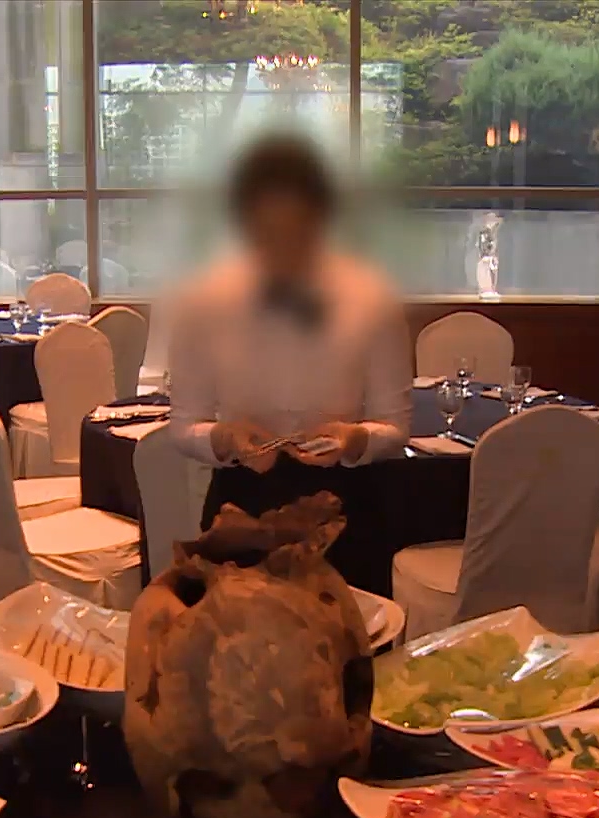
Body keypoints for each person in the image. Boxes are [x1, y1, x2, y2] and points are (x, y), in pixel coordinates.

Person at [163, 133, 412, 592]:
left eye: (297, 231)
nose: (283, 247)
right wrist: (224, 438)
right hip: (241, 508)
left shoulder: (373, 297)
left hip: (346, 508)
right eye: (268, 231)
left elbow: (395, 427)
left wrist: (356, 440)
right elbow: (182, 426)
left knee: (354, 631)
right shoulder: (203, 300)